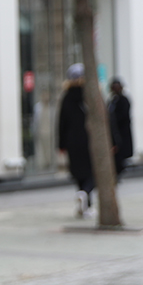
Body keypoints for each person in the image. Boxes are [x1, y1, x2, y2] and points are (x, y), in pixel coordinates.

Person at [57, 63, 93, 217]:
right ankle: (85, 194)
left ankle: (84, 203)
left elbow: (61, 122)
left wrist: (61, 144)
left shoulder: (66, 97)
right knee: (92, 171)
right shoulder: (90, 95)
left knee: (78, 171)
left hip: (72, 140)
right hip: (89, 139)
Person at [108, 78, 133, 177]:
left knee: (122, 150)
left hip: (122, 130)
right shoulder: (112, 101)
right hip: (115, 131)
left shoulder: (123, 100)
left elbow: (123, 115)